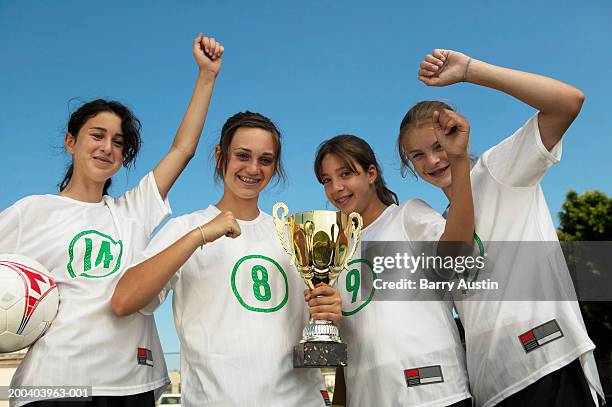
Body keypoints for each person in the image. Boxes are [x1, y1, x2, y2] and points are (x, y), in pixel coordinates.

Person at [0, 33, 224, 406]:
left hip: (131, 385)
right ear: (71, 142)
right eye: (97, 136)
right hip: (55, 384)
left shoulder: (133, 209)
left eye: (118, 142)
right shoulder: (31, 211)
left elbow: (182, 150)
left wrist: (206, 76)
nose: (107, 147)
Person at [397, 49, 605, 406]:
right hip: (490, 386)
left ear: (456, 133)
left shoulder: (499, 169)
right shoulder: (442, 226)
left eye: (438, 144)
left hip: (550, 363)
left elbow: (569, 102)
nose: (432, 160)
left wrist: (471, 71)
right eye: (417, 155)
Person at [112, 111, 340, 407]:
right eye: (243, 156)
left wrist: (328, 309)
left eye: (266, 160)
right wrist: (199, 236)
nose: (253, 169)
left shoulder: (293, 235)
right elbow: (124, 300)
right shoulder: (186, 228)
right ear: (221, 156)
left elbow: (316, 326)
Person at [312, 132, 474, 406]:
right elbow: (335, 348)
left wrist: (459, 165)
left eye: (346, 174)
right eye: (327, 180)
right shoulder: (333, 255)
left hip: (435, 394)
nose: (336, 187)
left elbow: (458, 253)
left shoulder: (408, 216)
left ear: (371, 173)